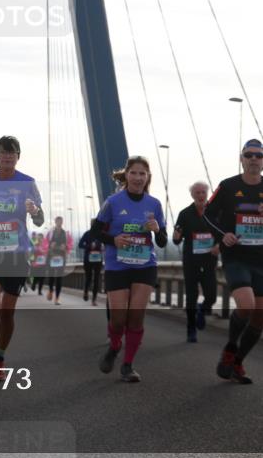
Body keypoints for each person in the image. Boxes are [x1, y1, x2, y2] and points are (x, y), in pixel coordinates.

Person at [204, 139, 263, 386]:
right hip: (236, 257)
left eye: (258, 156)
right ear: (241, 159)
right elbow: (208, 214)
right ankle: (230, 348)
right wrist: (223, 235)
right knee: (246, 304)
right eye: (249, 155)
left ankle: (237, 362)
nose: (253, 159)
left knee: (260, 315)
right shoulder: (228, 186)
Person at [0, 136, 44, 379]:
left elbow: (40, 219)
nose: (7, 157)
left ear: (18, 156)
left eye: (11, 153)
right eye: (3, 153)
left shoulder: (28, 183)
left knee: (7, 312)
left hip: (16, 255)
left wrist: (35, 211)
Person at [95, 156, 167, 383]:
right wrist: (113, 240)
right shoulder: (113, 202)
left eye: (142, 174)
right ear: (126, 175)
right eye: (133, 173)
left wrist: (157, 230)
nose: (137, 178)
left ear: (148, 177)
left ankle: (128, 365)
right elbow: (95, 232)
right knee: (118, 320)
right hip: (117, 266)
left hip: (145, 266)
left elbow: (163, 241)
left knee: (136, 318)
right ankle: (115, 345)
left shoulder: (154, 204)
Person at [172, 181, 219, 343]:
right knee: (191, 297)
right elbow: (176, 239)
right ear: (192, 195)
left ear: (207, 194)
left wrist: (219, 246)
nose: (200, 195)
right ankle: (191, 330)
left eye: (203, 192)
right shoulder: (185, 214)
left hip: (209, 260)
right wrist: (176, 236)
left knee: (211, 296)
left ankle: (202, 310)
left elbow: (223, 233)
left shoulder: (215, 212)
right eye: (197, 193)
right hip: (191, 261)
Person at [79, 219, 104, 306]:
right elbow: (80, 244)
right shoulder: (87, 234)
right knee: (88, 277)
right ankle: (86, 292)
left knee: (96, 279)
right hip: (88, 259)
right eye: (93, 224)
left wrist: (103, 246)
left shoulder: (102, 235)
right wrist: (89, 246)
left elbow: (106, 244)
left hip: (98, 259)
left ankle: (94, 299)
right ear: (91, 225)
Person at [46, 217, 68, 305]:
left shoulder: (64, 233)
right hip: (52, 257)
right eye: (58, 221)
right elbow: (46, 244)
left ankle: (57, 298)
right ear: (55, 222)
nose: (59, 223)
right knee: (51, 276)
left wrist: (64, 247)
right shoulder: (51, 232)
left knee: (59, 278)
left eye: (61, 221)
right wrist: (51, 246)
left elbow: (65, 245)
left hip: (61, 258)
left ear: (62, 222)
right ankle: (51, 290)